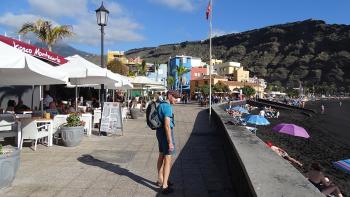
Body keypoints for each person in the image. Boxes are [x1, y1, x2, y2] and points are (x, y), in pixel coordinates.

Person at [156, 90, 177, 194]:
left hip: (159, 133)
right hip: (165, 134)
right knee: (168, 159)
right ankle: (165, 185)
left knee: (161, 155)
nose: (177, 99)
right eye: (175, 97)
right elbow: (167, 125)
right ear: (169, 96)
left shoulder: (160, 105)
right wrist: (170, 142)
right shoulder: (167, 107)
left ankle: (160, 178)